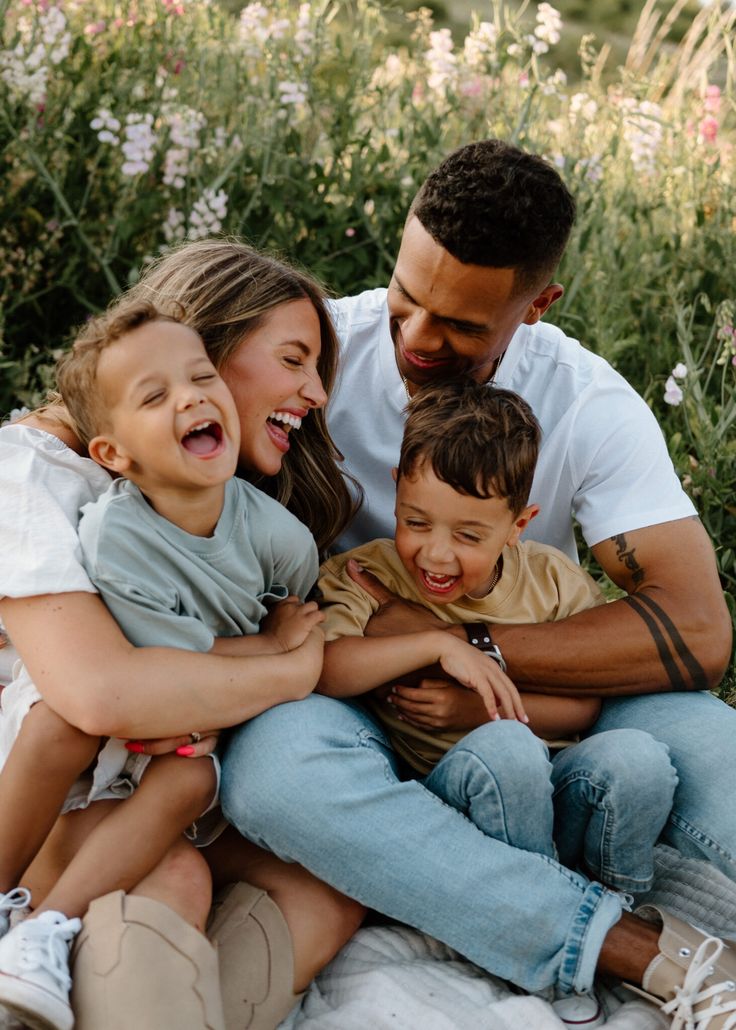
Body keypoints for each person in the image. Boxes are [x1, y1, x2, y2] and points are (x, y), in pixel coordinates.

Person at [219, 140, 736, 1028]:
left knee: (709, 738)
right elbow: (139, 400)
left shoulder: (586, 406)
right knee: (273, 773)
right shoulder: (313, 355)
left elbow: (696, 632)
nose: (417, 339)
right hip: (352, 690)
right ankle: (626, 946)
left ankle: (490, 882)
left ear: (537, 306)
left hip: (527, 694)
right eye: (407, 298)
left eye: (460, 325)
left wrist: (477, 658)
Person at [0, 245, 365, 1030]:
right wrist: (287, 666)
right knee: (172, 875)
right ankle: (39, 944)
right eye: (294, 360)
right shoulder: (31, 472)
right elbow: (100, 695)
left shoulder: (228, 508)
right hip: (46, 796)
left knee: (326, 889)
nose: (317, 391)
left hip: (155, 785)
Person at [317, 377, 679, 901]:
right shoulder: (367, 576)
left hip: (557, 782)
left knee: (639, 758)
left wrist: (473, 709)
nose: (436, 555)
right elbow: (328, 670)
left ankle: (620, 899)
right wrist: (438, 645)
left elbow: (584, 708)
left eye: (468, 536)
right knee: (509, 752)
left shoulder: (552, 582)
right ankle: (541, 905)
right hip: (455, 796)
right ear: (396, 488)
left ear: (518, 524)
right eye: (416, 522)